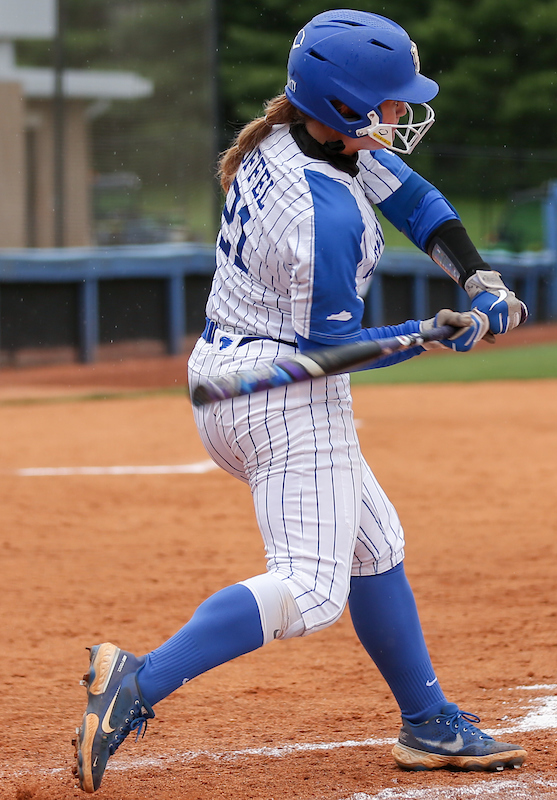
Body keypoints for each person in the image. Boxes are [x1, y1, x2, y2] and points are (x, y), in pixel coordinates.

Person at [73, 10, 530, 793]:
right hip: (286, 394)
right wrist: (430, 332)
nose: (401, 112)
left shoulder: (301, 136)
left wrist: (477, 277)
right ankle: (139, 680)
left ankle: (427, 722)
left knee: (374, 545)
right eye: (388, 100)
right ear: (344, 105)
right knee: (313, 588)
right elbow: (332, 349)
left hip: (236, 375)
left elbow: (416, 199)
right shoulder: (323, 210)